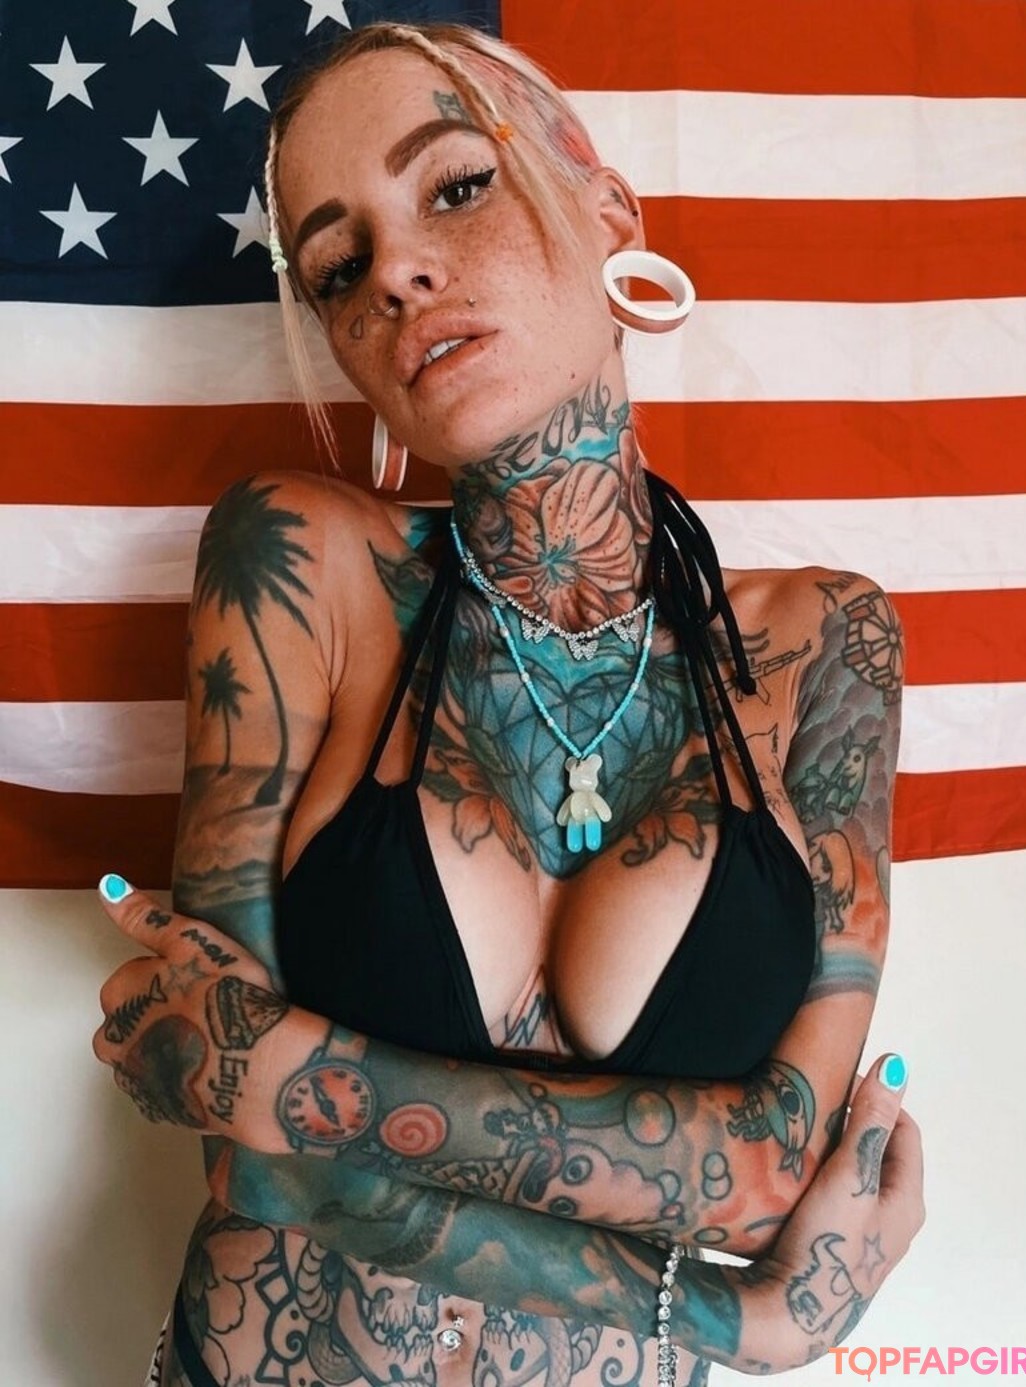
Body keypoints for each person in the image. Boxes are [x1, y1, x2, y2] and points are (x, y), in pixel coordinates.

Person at [92, 21, 924, 1387]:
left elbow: (774, 1172)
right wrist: (748, 1319)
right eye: (338, 266)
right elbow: (254, 1158)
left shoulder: (828, 643)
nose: (396, 273)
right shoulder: (299, 563)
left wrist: (301, 1079)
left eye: (457, 185)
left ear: (608, 214)